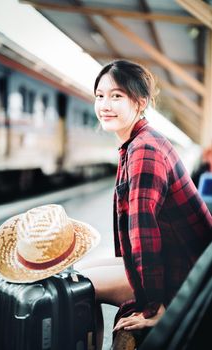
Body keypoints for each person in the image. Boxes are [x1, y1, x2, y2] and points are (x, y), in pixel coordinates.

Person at [76, 60, 212, 350]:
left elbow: (144, 235)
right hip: (179, 260)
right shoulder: (135, 142)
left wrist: (155, 307)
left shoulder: (143, 150)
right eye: (100, 96)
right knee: (76, 273)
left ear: (140, 102)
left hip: (186, 274)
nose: (105, 104)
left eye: (117, 96)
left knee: (76, 289)